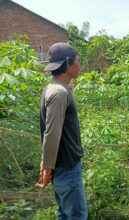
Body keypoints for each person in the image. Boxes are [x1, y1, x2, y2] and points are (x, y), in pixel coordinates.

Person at [35, 43, 88, 219]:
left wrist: (46, 162)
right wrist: (47, 167)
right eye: (78, 61)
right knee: (76, 216)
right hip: (66, 169)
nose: (79, 65)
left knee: (64, 215)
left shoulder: (54, 87)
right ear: (68, 61)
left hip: (62, 168)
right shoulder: (59, 92)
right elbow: (51, 133)